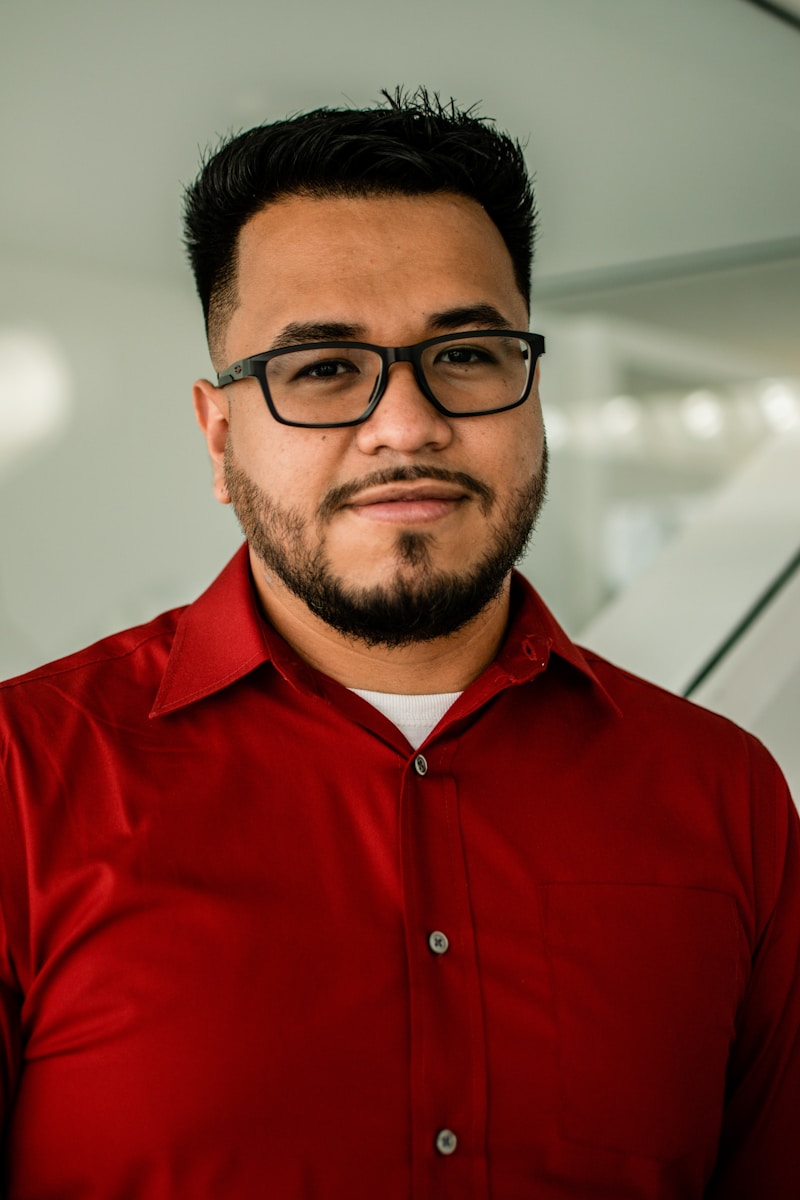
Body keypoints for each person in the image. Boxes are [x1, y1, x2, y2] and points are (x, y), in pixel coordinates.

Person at [0, 88, 797, 1200]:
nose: (408, 423)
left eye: (465, 352)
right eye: (324, 368)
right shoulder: (22, 778)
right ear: (220, 437)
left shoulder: (725, 794)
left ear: (532, 394)